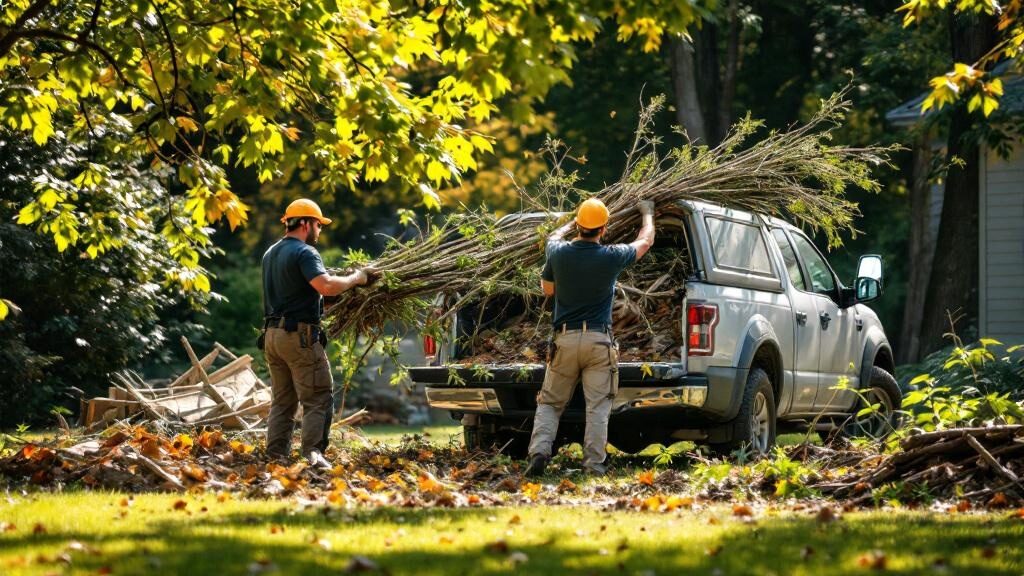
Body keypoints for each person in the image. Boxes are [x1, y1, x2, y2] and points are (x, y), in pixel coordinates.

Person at [525, 197, 655, 476]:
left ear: (579, 226)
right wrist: (647, 213)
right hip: (598, 342)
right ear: (604, 228)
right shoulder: (611, 256)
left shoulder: (558, 252)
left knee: (550, 402)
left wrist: (567, 225)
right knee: (597, 407)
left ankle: (538, 452)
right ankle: (594, 466)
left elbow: (547, 288)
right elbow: (645, 242)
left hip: (565, 341)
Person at [261, 198, 372, 463]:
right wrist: (357, 278)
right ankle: (314, 455)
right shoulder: (304, 252)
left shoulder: (270, 253)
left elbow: (299, 293)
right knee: (318, 397)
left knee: (283, 402)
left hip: (272, 336)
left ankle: (275, 455)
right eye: (319, 225)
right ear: (306, 223)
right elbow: (327, 286)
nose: (320, 231)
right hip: (297, 338)